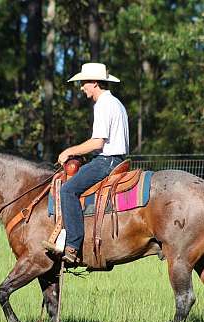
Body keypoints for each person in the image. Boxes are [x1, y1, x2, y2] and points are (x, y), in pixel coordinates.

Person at [42, 62, 129, 264]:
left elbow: (98, 142)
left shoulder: (103, 105)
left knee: (68, 191)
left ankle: (72, 246)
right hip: (115, 160)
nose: (82, 87)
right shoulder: (115, 103)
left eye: (84, 83)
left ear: (95, 83)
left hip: (107, 161)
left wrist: (69, 151)